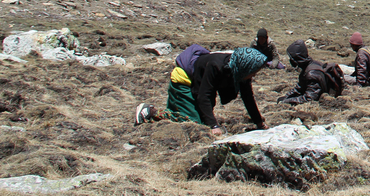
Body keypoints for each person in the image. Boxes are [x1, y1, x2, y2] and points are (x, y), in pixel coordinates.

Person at [135, 47, 269, 136]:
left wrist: (259, 122)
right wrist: (213, 125)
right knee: (194, 123)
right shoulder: (216, 66)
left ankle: (176, 113)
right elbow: (203, 95)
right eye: (253, 72)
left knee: (202, 120)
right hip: (184, 81)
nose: (254, 76)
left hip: (197, 86)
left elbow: (248, 97)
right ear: (246, 67)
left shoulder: (240, 72)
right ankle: (150, 112)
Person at [277, 40, 345, 104]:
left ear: (296, 59)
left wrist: (287, 101)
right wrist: (286, 97)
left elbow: (310, 98)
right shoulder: (310, 65)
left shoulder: (312, 74)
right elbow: (300, 87)